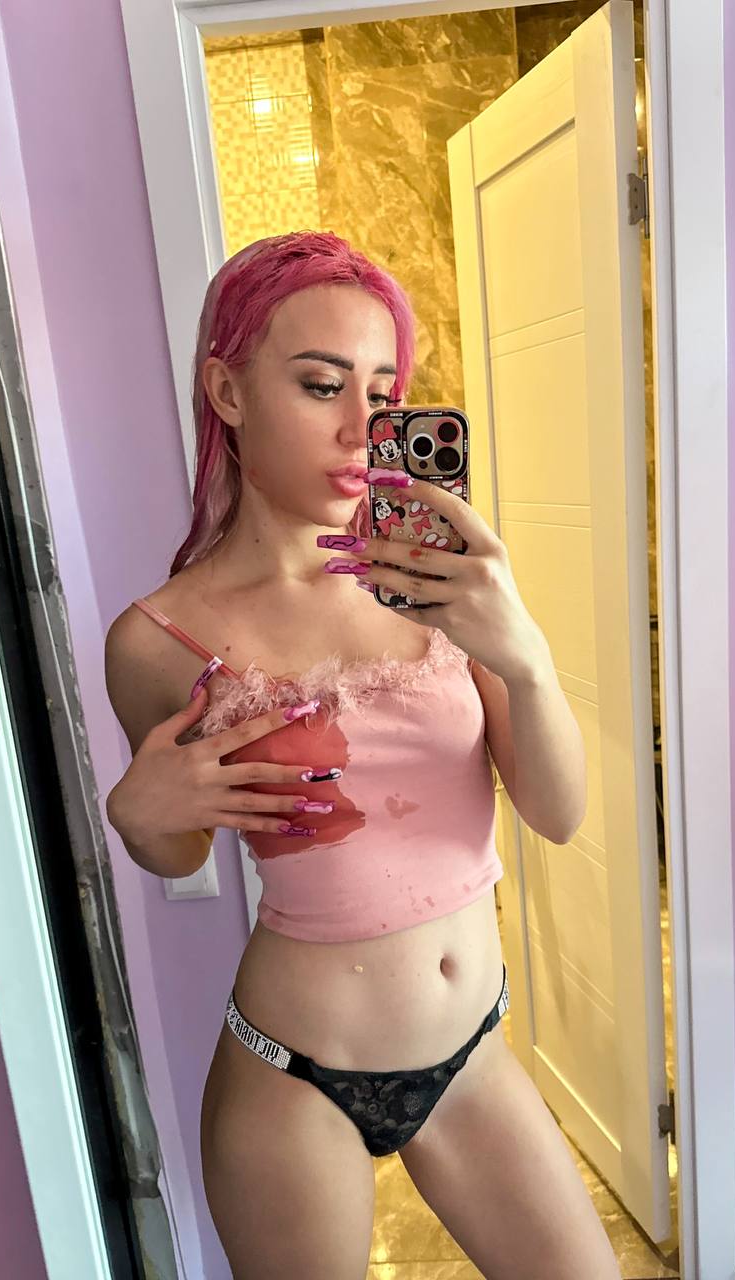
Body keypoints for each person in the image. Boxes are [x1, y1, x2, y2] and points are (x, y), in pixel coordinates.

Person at [104, 231, 622, 1280]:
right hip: (292, 1079)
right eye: (319, 384)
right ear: (228, 391)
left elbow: (559, 812)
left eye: (382, 392)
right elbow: (178, 852)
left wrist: (524, 656)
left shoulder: (436, 581)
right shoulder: (160, 639)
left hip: (471, 1053)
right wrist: (138, 816)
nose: (360, 427)